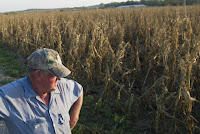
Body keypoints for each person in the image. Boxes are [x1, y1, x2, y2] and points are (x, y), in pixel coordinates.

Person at [0, 48, 83, 134]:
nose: (59, 78)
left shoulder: (63, 86)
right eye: (54, 74)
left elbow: (79, 91)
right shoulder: (8, 96)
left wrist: (73, 119)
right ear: (38, 74)